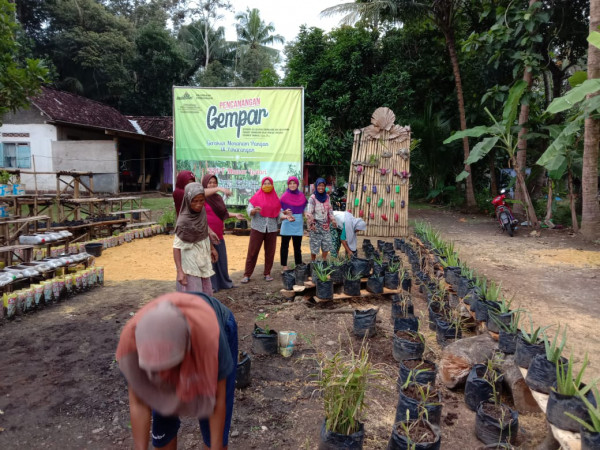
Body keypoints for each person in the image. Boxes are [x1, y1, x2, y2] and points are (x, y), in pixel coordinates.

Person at [116, 291, 237, 450]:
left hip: (217, 323)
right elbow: (139, 402)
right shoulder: (129, 344)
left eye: (170, 369)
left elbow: (217, 400)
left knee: (213, 435)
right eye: (156, 371)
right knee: (162, 426)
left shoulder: (207, 340)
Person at [201, 174, 245, 293]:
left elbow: (223, 213)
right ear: (205, 183)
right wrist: (219, 188)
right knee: (211, 260)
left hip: (219, 233)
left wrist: (235, 215)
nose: (212, 185)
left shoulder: (218, 198)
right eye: (210, 182)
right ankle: (212, 286)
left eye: (215, 182)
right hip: (207, 234)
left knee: (221, 260)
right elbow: (202, 192)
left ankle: (225, 283)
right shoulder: (202, 197)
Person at [173, 182, 218, 295]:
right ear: (188, 200)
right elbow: (176, 247)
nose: (198, 204)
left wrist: (211, 248)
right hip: (189, 261)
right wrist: (180, 271)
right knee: (194, 295)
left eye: (201, 200)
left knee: (206, 293)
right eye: (194, 201)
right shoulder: (183, 222)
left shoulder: (201, 212)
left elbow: (203, 232)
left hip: (202, 257)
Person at [241, 177, 283, 283]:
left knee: (270, 252)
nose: (267, 185)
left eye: (269, 183)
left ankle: (267, 273)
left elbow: (279, 212)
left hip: (272, 229)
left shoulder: (275, 198)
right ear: (262, 185)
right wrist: (253, 211)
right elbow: (249, 208)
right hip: (257, 228)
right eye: (265, 183)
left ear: (272, 185)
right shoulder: (257, 196)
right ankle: (247, 274)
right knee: (253, 252)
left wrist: (284, 216)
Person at [279, 176, 307, 270]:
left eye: (294, 183)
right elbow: (280, 211)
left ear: (297, 184)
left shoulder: (301, 196)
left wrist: (307, 214)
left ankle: (298, 265)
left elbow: (305, 208)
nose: (292, 185)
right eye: (290, 183)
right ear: (288, 184)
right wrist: (285, 213)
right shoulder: (284, 196)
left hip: (297, 222)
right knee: (284, 246)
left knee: (297, 247)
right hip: (287, 222)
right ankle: (284, 266)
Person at [306, 178, 337, 261]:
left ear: (325, 186)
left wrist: (333, 220)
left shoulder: (327, 197)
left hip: (326, 225)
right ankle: (313, 263)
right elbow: (309, 213)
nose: (321, 187)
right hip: (316, 226)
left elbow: (330, 210)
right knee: (314, 246)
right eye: (319, 185)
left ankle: (324, 262)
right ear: (316, 186)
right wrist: (311, 224)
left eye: (323, 186)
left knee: (326, 245)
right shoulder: (312, 198)